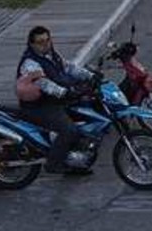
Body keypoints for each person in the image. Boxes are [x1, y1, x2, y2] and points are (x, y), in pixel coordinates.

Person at [17, 26, 97, 175]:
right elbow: (44, 84)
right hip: (39, 106)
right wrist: (64, 93)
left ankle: (75, 162)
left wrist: (90, 76)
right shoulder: (30, 63)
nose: (46, 44)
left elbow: (69, 68)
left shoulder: (52, 55)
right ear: (32, 44)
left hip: (54, 102)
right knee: (69, 130)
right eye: (40, 42)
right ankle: (53, 164)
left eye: (48, 40)